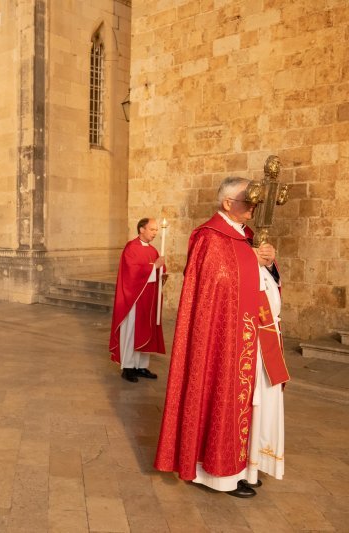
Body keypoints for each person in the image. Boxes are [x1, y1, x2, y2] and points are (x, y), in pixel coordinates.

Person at [154, 176, 288, 498]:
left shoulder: (248, 237)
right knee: (223, 395)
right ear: (228, 203)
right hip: (223, 340)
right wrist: (249, 260)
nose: (254, 208)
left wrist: (268, 262)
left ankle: (247, 467)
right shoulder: (209, 237)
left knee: (253, 399)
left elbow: (261, 279)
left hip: (256, 332)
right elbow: (218, 281)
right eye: (248, 201)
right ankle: (218, 474)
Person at [109, 218, 166, 382]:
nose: (155, 233)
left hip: (149, 299)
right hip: (134, 299)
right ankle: (127, 367)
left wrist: (162, 273)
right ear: (142, 229)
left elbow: (158, 269)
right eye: (152, 229)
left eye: (156, 230)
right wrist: (154, 267)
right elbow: (131, 272)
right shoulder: (131, 248)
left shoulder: (154, 251)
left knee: (146, 331)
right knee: (132, 332)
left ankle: (141, 366)